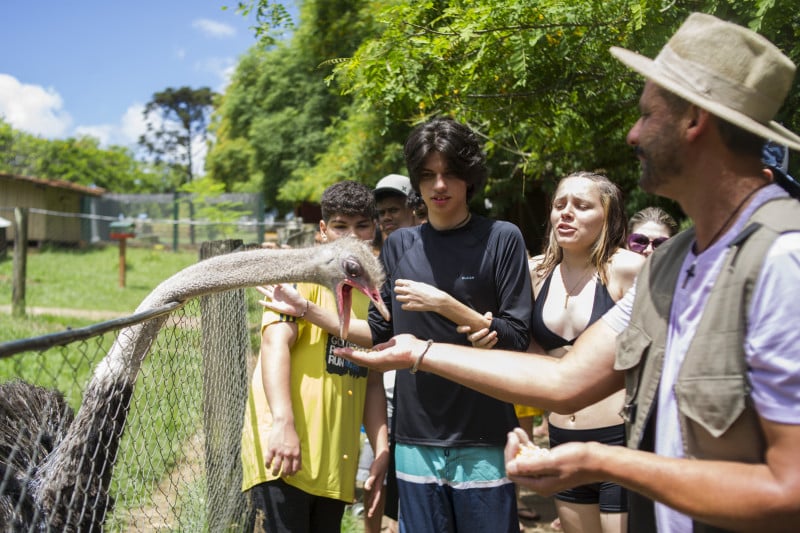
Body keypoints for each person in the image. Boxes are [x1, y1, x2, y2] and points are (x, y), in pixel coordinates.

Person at [335, 13, 800, 533]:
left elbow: (790, 491)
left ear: (694, 122)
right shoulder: (673, 264)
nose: (632, 133)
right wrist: (418, 352)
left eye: (647, 115)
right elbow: (565, 379)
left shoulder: (783, 260)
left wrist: (601, 462)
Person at [240, 181, 389, 533]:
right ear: (323, 231)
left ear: (374, 230)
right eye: (340, 226)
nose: (351, 236)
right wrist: (283, 424)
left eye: (361, 226)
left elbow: (373, 381)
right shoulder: (300, 278)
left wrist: (381, 449)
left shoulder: (370, 296)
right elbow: (275, 345)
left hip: (334, 464)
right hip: (285, 454)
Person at [528, 171, 643, 533]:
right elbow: (527, 352)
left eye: (581, 206)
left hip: (619, 441)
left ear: (607, 215)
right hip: (561, 440)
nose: (566, 213)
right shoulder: (535, 273)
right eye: (560, 205)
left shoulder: (627, 269)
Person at [363, 173, 420, 533]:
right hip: (375, 381)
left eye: (395, 209)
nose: (387, 217)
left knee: (405, 483)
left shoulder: (422, 255)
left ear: (415, 208)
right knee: (373, 473)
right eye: (381, 211)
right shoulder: (372, 261)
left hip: (414, 383)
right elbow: (374, 329)